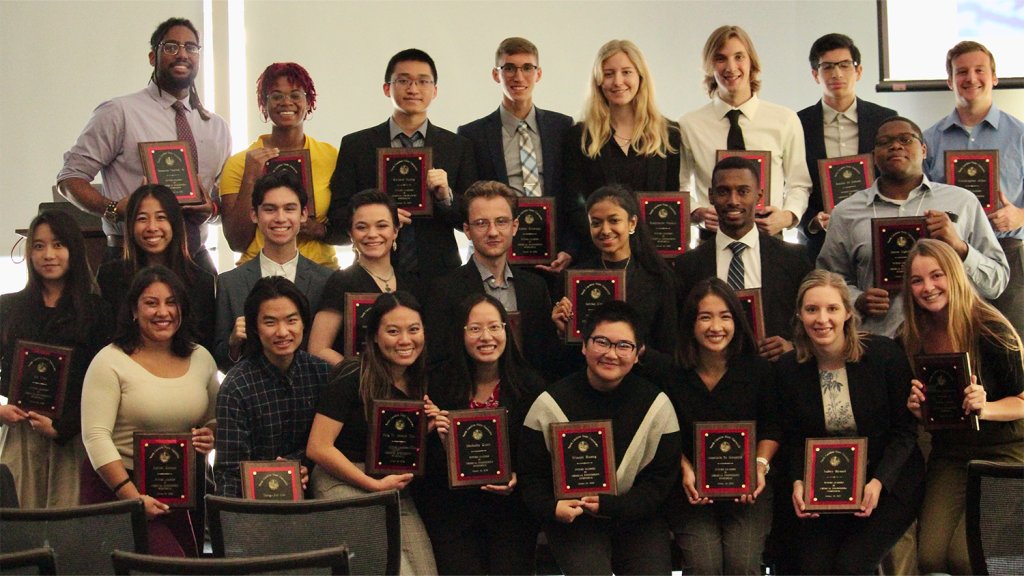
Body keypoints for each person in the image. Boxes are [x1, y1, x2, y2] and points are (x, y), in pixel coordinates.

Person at [777, 270, 924, 574]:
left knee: (851, 565)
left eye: (832, 308)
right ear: (799, 315)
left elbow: (905, 432)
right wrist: (798, 482)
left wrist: (878, 483)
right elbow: (793, 438)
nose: (822, 319)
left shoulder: (885, 355)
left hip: (889, 482)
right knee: (812, 567)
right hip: (827, 489)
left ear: (847, 312)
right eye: (812, 309)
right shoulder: (789, 368)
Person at [519, 301, 681, 575]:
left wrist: (613, 505)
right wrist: (552, 508)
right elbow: (530, 477)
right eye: (601, 342)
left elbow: (659, 483)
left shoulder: (657, 406)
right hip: (575, 520)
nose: (611, 354)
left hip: (637, 517)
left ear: (638, 353)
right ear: (584, 345)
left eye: (623, 346)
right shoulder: (548, 405)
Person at [56, 17, 230, 273]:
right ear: (152, 57)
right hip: (130, 257)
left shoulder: (217, 127)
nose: (182, 54)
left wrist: (213, 210)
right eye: (171, 46)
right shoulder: (119, 112)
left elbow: (221, 201)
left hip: (195, 259)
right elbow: (69, 179)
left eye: (191, 47)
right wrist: (114, 209)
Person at [818, 115, 1009, 338]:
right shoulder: (846, 212)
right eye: (885, 142)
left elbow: (997, 282)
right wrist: (856, 299)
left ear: (924, 150)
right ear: (873, 157)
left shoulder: (962, 202)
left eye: (906, 139)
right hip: (878, 342)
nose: (896, 146)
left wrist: (960, 247)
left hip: (952, 340)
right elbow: (826, 279)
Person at [641, 278, 780, 575]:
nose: (715, 327)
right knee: (705, 565)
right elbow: (660, 434)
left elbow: (773, 426)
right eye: (705, 317)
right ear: (691, 323)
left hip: (749, 492)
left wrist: (759, 465)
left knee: (742, 563)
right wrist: (684, 468)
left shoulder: (760, 371)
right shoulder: (670, 373)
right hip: (689, 492)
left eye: (725, 316)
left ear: (738, 321)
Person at [901, 239, 1024, 574]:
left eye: (936, 275)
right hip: (951, 454)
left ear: (954, 274)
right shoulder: (910, 336)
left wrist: (988, 407)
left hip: (1004, 452)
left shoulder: (992, 329)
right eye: (917, 280)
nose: (928, 288)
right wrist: (917, 409)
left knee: (965, 557)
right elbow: (923, 410)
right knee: (929, 558)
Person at [80, 266, 218, 557]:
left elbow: (215, 419)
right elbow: (95, 436)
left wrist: (210, 435)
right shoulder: (109, 361)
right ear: (134, 310)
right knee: (167, 565)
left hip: (181, 488)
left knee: (189, 564)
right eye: (151, 303)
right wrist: (132, 497)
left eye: (171, 302)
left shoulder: (201, 357)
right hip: (117, 487)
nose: (162, 312)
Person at [305, 291, 445, 575]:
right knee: (396, 571)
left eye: (413, 329)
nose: (405, 340)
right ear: (375, 337)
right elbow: (318, 448)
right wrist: (374, 486)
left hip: (391, 485)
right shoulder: (351, 374)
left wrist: (426, 431)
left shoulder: (420, 381)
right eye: (393, 331)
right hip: (342, 480)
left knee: (425, 570)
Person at [416, 294, 545, 575]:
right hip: (451, 510)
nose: (486, 337)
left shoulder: (530, 387)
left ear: (506, 330)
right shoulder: (437, 385)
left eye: (494, 327)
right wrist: (439, 441)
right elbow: (422, 468)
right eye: (475, 329)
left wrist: (518, 477)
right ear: (460, 334)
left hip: (510, 509)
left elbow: (540, 457)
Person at [326, 49, 477, 282]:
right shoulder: (357, 145)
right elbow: (337, 215)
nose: (413, 89)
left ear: (435, 91)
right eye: (403, 80)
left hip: (440, 274)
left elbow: (470, 220)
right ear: (387, 88)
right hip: (372, 272)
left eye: (423, 81)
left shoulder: (457, 146)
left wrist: (446, 197)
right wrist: (376, 218)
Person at [0, 211, 112, 508]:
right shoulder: (8, 308)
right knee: (19, 529)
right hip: (19, 434)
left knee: (67, 530)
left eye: (58, 245)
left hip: (73, 437)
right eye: (38, 246)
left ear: (73, 250)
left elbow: (105, 387)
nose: (48, 254)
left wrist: (63, 427)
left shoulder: (97, 312)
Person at [923, 41, 1024, 338]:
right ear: (950, 81)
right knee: (957, 344)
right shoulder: (929, 138)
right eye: (961, 72)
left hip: (1007, 254)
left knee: (1011, 348)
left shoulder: (1020, 135)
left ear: (994, 77)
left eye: (979, 70)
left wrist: (1020, 215)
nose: (971, 78)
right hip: (949, 259)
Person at [680, 25, 812, 239]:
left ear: (752, 62)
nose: (731, 67)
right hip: (712, 239)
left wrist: (787, 217)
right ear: (710, 66)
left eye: (739, 57)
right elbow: (680, 186)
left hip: (768, 237)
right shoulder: (690, 124)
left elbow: (800, 183)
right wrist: (696, 212)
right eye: (721, 58)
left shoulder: (784, 120)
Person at [675, 156, 812, 362]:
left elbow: (812, 318)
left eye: (743, 191)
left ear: (759, 195)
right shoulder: (688, 265)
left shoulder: (794, 259)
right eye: (723, 191)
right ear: (711, 196)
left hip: (776, 375)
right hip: (714, 376)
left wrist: (794, 346)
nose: (733, 200)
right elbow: (681, 330)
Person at [457, 37, 575, 273]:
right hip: (498, 256)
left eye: (527, 68)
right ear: (495, 74)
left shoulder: (562, 127)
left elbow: (573, 194)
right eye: (509, 68)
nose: (518, 77)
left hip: (555, 255)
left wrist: (571, 248)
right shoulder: (472, 134)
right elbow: (468, 200)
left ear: (538, 74)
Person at [423, 181, 559, 376]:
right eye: (481, 223)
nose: (493, 232)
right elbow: (437, 361)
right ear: (467, 230)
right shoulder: (444, 290)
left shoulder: (535, 287)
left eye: (501, 221)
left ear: (514, 226)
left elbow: (546, 358)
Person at [564, 39, 680, 263]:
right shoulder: (579, 136)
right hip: (598, 257)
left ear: (640, 77)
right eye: (609, 74)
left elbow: (671, 200)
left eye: (626, 72)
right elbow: (574, 204)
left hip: (653, 259)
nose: (618, 81)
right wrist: (611, 240)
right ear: (598, 81)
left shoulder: (669, 134)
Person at [214, 276, 329, 499]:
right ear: (254, 328)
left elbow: (338, 444)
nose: (283, 332)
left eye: (291, 320)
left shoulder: (323, 374)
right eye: (270, 322)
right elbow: (228, 471)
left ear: (304, 322)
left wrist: (304, 466)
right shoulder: (236, 386)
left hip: (316, 492)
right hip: (256, 503)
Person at [218, 62, 339, 269]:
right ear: (263, 105)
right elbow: (236, 242)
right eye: (276, 96)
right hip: (258, 274)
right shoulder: (241, 163)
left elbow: (349, 227)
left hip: (321, 270)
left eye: (295, 95)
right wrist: (250, 178)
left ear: (308, 102)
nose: (286, 102)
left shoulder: (330, 156)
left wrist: (318, 229)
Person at [214, 171, 331, 371]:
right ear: (254, 214)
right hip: (252, 396)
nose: (280, 218)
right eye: (270, 209)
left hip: (314, 394)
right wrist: (233, 344)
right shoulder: (230, 283)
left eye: (289, 209)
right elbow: (219, 359)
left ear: (303, 214)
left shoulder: (327, 280)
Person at [797, 33, 898, 260]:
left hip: (877, 239)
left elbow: (897, 178)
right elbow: (792, 184)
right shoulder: (798, 124)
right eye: (828, 67)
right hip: (820, 245)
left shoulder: (886, 120)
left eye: (844, 65)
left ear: (858, 71)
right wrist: (812, 221)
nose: (837, 73)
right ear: (815, 75)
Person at [552, 184, 678, 356]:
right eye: (596, 223)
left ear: (632, 223)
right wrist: (562, 333)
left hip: (643, 377)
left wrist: (636, 351)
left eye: (614, 220)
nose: (605, 230)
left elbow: (669, 351)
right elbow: (559, 359)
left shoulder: (658, 278)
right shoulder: (571, 279)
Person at [96, 184, 216, 353]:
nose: (152, 227)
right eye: (142, 218)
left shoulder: (202, 280)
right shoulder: (110, 276)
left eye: (161, 218)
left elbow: (205, 346)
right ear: (130, 225)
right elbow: (104, 340)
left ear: (175, 223)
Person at [309, 190, 412, 366]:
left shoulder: (411, 283)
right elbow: (318, 348)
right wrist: (362, 376)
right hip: (356, 387)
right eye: (362, 227)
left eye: (381, 226)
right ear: (350, 233)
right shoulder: (341, 282)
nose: (372, 234)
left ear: (395, 231)